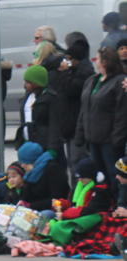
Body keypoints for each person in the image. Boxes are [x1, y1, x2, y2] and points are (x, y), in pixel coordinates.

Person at [75, 47, 127, 199]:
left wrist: (118, 138)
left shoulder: (119, 81)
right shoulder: (92, 81)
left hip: (109, 140)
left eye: (97, 59)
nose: (96, 62)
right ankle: (105, 204)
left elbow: (121, 113)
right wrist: (80, 133)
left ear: (104, 62)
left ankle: (120, 205)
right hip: (93, 139)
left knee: (114, 175)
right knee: (100, 177)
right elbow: (84, 109)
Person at [56, 43, 95, 183]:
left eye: (69, 59)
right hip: (69, 126)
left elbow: (71, 90)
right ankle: (74, 195)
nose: (66, 62)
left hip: (78, 127)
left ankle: (81, 195)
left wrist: (65, 72)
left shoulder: (85, 73)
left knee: (78, 163)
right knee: (72, 164)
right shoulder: (73, 72)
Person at [17, 65, 62, 155]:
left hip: (43, 144)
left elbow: (54, 125)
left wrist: (52, 148)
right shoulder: (28, 96)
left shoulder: (50, 98)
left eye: (28, 82)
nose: (25, 85)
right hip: (27, 142)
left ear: (36, 83)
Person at [18, 141, 69, 213]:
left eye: (23, 163)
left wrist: (31, 205)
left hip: (51, 210)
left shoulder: (53, 169)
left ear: (30, 160)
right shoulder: (30, 172)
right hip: (33, 208)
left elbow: (57, 197)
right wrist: (22, 201)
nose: (22, 166)